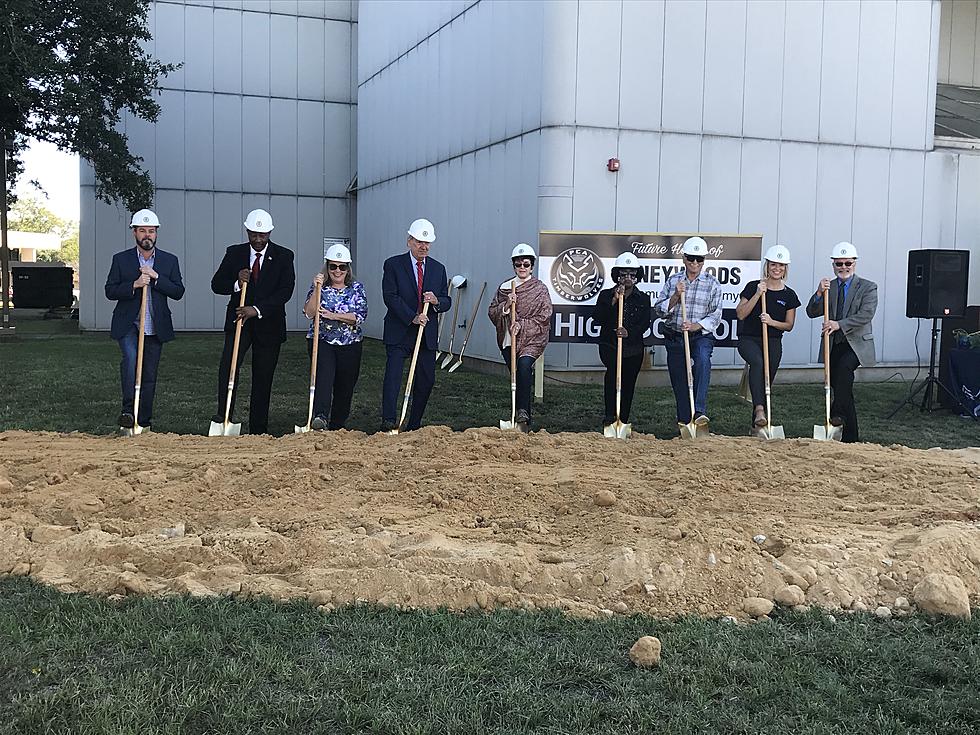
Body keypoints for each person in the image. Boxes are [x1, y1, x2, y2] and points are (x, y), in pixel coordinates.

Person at [210, 208, 296, 435]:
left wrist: (256, 309)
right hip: (239, 323)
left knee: (263, 375)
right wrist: (237, 283)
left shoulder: (284, 256)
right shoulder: (234, 253)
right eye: (254, 234)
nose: (258, 240)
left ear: (269, 233)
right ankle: (224, 417)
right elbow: (216, 284)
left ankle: (258, 428)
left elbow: (285, 291)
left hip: (269, 324)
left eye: (263, 235)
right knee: (228, 369)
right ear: (247, 231)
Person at [104, 209, 185, 430]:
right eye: (142, 231)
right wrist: (134, 284)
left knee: (149, 373)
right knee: (130, 361)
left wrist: (157, 278)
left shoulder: (169, 261)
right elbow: (110, 290)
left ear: (156, 233)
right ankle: (128, 412)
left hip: (155, 326)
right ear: (134, 233)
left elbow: (178, 291)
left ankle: (144, 420)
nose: (146, 235)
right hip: (130, 324)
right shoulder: (121, 260)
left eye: (151, 231)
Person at [380, 218, 451, 432]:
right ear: (409, 241)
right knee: (393, 377)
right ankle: (389, 420)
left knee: (426, 380)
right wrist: (412, 316)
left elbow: (446, 300)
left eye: (427, 243)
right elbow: (390, 297)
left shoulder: (438, 269)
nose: (424, 247)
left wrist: (436, 301)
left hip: (425, 334)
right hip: (400, 330)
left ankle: (414, 423)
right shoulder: (393, 265)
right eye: (420, 242)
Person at [805, 242, 877, 443]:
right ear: (833, 265)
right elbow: (811, 312)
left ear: (854, 263)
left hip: (856, 344)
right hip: (834, 343)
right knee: (842, 387)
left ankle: (837, 413)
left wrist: (839, 324)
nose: (843, 267)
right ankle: (850, 436)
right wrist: (819, 293)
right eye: (839, 264)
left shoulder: (868, 287)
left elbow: (866, 315)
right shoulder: (830, 287)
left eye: (847, 263)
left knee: (845, 369)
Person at [653, 236, 723, 426]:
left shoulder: (712, 284)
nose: (695, 263)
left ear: (704, 260)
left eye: (699, 259)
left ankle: (699, 411)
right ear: (684, 258)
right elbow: (659, 310)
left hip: (701, 336)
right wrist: (676, 296)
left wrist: (696, 325)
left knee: (702, 360)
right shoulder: (673, 281)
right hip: (675, 336)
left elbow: (716, 315)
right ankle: (685, 420)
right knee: (679, 379)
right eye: (691, 258)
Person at [487, 243, 553, 429]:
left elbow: (545, 315)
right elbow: (492, 312)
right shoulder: (505, 288)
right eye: (518, 264)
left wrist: (522, 324)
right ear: (514, 266)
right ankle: (520, 416)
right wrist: (506, 306)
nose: (522, 268)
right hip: (509, 339)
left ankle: (523, 412)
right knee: (515, 375)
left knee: (524, 367)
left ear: (532, 266)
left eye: (526, 264)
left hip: (532, 338)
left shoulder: (539, 289)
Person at [302, 243, 367, 430]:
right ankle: (320, 417)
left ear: (348, 268)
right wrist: (317, 288)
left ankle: (338, 423)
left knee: (345, 385)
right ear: (327, 266)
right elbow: (308, 312)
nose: (337, 271)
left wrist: (334, 316)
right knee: (323, 379)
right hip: (322, 341)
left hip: (350, 344)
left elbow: (360, 316)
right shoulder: (320, 287)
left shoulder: (356, 288)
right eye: (333, 266)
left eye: (342, 267)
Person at [735, 245, 800, 431]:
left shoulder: (789, 295)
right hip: (749, 339)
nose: (776, 269)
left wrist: (771, 322)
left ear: (785, 268)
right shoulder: (753, 287)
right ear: (767, 266)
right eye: (773, 265)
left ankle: (758, 424)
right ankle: (761, 410)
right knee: (757, 363)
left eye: (781, 265)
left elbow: (789, 325)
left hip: (773, 340)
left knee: (765, 381)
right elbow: (740, 314)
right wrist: (757, 294)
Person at [591, 251, 651, 427]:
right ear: (617, 275)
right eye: (623, 274)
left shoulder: (643, 299)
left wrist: (629, 332)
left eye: (632, 274)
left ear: (637, 276)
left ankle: (623, 419)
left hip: (633, 349)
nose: (627, 278)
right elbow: (598, 317)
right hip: (610, 346)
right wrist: (614, 301)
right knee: (612, 378)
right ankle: (610, 416)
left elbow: (645, 324)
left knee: (629, 383)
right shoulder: (605, 295)